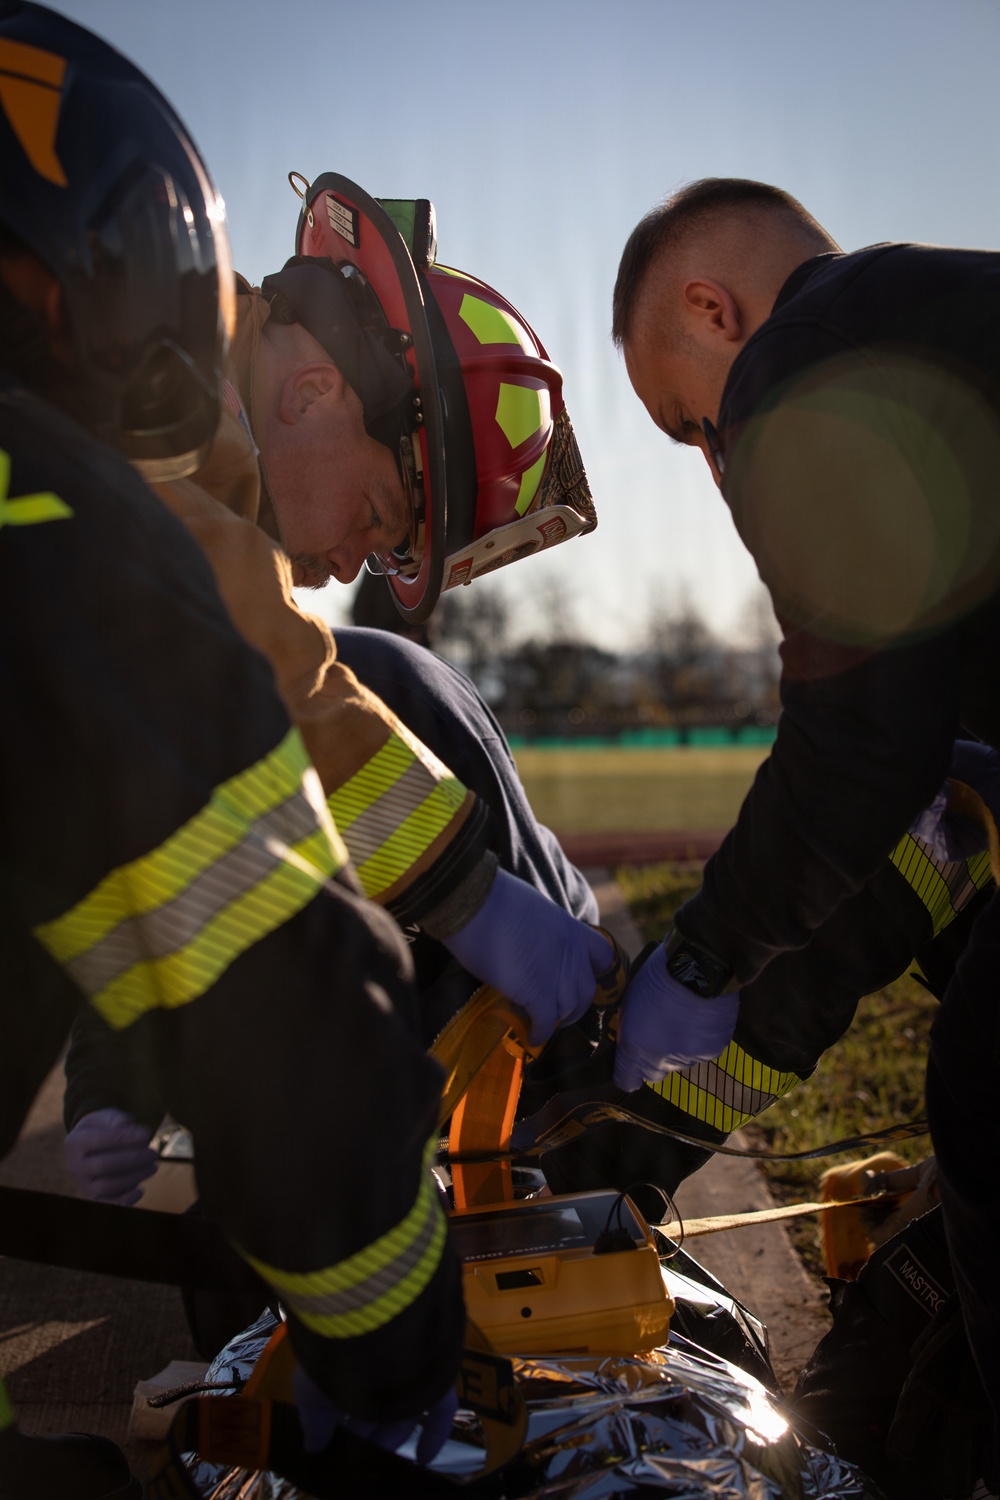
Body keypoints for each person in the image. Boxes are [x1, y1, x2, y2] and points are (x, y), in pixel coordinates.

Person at [0, 5, 459, 1492]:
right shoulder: (72, 514)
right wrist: (398, 1354)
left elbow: (85, 826)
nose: (351, 572)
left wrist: (117, 1056)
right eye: (378, 527)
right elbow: (256, 943)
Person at [610, 175, 1000, 1481]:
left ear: (714, 312)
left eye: (692, 426)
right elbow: (938, 796)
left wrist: (704, 954)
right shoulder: (945, 333)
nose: (719, 460)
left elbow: (859, 751)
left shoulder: (807, 358)